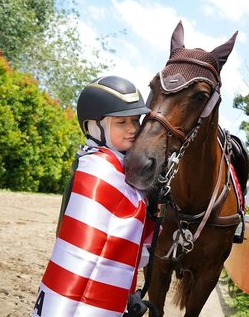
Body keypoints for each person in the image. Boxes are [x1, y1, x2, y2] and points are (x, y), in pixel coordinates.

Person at [32, 76, 153, 317]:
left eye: (135, 120)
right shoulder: (98, 169)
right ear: (93, 127)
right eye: (121, 122)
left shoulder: (116, 166)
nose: (133, 129)